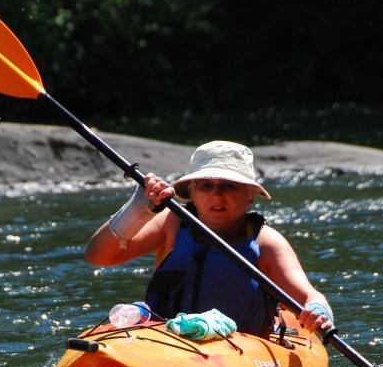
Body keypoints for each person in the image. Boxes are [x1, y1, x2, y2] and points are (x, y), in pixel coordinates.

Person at [85, 140, 334, 337]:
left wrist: (318, 311)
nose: (217, 195)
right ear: (191, 192)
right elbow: (98, 256)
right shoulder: (171, 222)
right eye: (206, 185)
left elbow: (310, 297)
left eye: (229, 185)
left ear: (250, 195)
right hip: (167, 341)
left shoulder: (266, 243)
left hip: (241, 352)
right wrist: (137, 210)